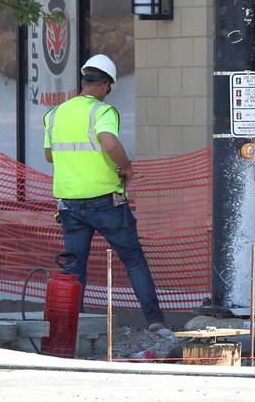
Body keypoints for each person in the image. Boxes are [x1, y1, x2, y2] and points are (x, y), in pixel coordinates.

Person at [44, 54, 169, 335]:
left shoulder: (54, 114)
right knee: (133, 259)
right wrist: (126, 167)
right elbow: (110, 143)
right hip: (105, 202)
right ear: (105, 86)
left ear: (84, 80)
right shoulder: (102, 112)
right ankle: (155, 321)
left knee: (75, 269)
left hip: (69, 204)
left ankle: (68, 330)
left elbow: (49, 155)